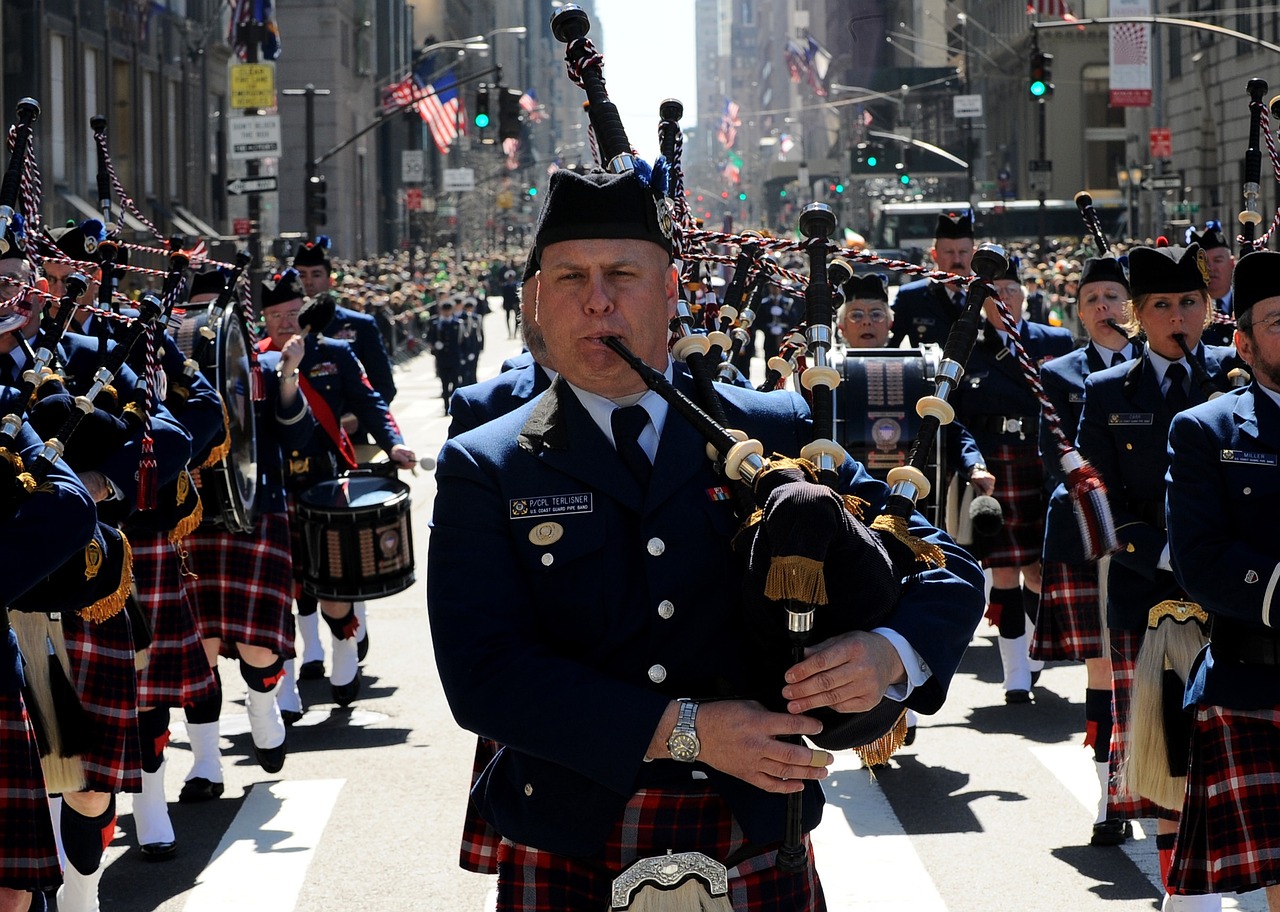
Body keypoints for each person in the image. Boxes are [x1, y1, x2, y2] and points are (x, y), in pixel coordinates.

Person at [427, 166, 986, 911]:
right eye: (570, 277)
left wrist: (889, 653)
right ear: (536, 299)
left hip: (753, 828)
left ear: (670, 289)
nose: (597, 299)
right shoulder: (486, 463)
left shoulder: (780, 430)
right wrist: (685, 731)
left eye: (622, 273)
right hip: (572, 834)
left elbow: (945, 567)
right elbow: (483, 674)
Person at [1076, 242, 1235, 912]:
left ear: (1208, 308)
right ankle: (1185, 896)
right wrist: (1170, 555)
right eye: (1162, 305)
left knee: (1232, 750)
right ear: (1137, 315)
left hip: (1234, 598)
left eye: (1189, 302)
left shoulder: (1236, 381)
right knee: (1168, 754)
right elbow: (1093, 496)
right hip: (1149, 594)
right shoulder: (1109, 391)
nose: (1179, 315)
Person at [1165, 248, 1280, 911]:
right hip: (1256, 683)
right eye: (1278, 321)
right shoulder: (1206, 429)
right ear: (1241, 340)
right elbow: (1201, 559)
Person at [177, 269, 316, 803]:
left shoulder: (260, 366)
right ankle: (206, 765)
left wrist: (288, 377)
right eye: (198, 314)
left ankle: (263, 710)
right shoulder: (170, 370)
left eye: (217, 314)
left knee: (260, 647)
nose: (206, 326)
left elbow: (298, 434)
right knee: (200, 649)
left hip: (258, 511)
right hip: (194, 520)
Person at [262, 269, 414, 706]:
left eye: (293, 313)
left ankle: (344, 648)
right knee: (285, 586)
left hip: (324, 479)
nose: (286, 323)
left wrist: (395, 443)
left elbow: (371, 402)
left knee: (332, 578)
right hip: (275, 483)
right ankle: (293, 672)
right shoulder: (253, 359)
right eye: (276, 315)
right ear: (265, 320)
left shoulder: (336, 353)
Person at [1033, 255, 1139, 846]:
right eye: (1093, 299)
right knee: (1104, 669)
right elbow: (1053, 456)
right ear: (1077, 311)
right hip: (1085, 534)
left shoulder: (1162, 368)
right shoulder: (1059, 375)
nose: (1105, 309)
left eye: (1114, 298)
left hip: (1153, 539)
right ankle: (1108, 799)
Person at [952, 258, 1074, 702]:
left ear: (1026, 295)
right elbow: (955, 419)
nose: (1004, 300)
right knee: (1003, 569)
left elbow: (1070, 406)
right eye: (994, 293)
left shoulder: (1055, 341)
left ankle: (1036, 648)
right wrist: (972, 464)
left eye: (1012, 291)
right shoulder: (968, 346)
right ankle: (1015, 672)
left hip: (1042, 464)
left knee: (1041, 572)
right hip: (995, 465)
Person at [293, 236, 398, 406]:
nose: (308, 282)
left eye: (316, 274)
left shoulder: (360, 324)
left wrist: (358, 419)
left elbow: (384, 386)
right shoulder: (284, 327)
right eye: (302, 275)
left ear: (330, 280)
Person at [888, 212, 976, 347]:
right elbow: (891, 347)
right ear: (934, 255)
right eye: (949, 252)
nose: (957, 260)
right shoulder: (911, 297)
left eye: (963, 252)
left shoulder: (985, 296)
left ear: (973, 253)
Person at [1187, 222, 1236, 347]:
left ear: (1232, 263)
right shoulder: (1186, 310)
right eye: (1204, 262)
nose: (1210, 268)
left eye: (1218, 260)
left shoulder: (1246, 302)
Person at [836, 274, 892, 348]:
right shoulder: (831, 359)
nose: (866, 322)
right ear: (842, 327)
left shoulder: (908, 359)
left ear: (889, 325)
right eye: (856, 315)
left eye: (876, 315)